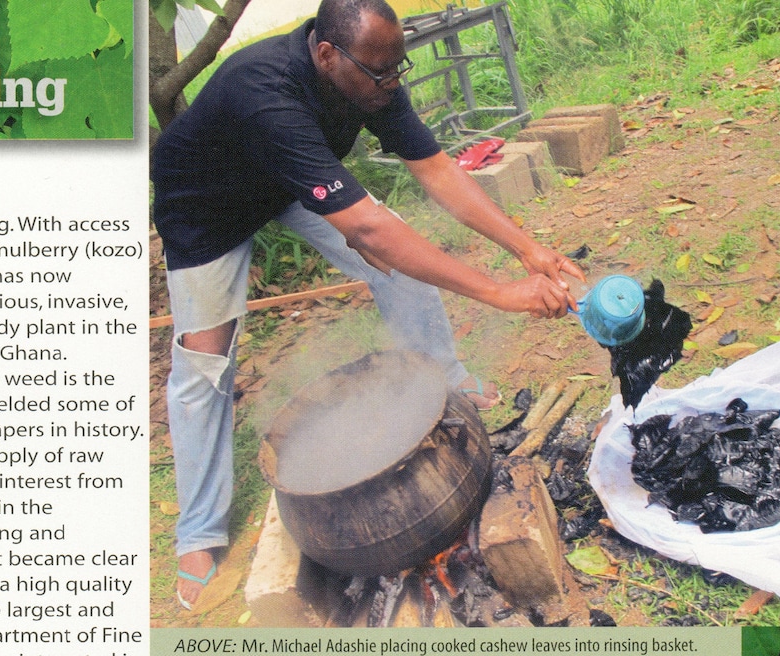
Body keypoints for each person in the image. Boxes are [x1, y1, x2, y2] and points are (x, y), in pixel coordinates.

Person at [151, 0, 587, 608]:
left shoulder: (374, 76)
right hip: (206, 203)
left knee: (403, 267)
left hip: (290, 180)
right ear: (326, 55)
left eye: (398, 72)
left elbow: (436, 170)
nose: (391, 86)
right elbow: (368, 229)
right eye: (380, 75)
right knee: (204, 365)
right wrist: (497, 293)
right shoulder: (264, 91)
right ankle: (198, 533)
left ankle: (446, 381)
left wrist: (528, 250)